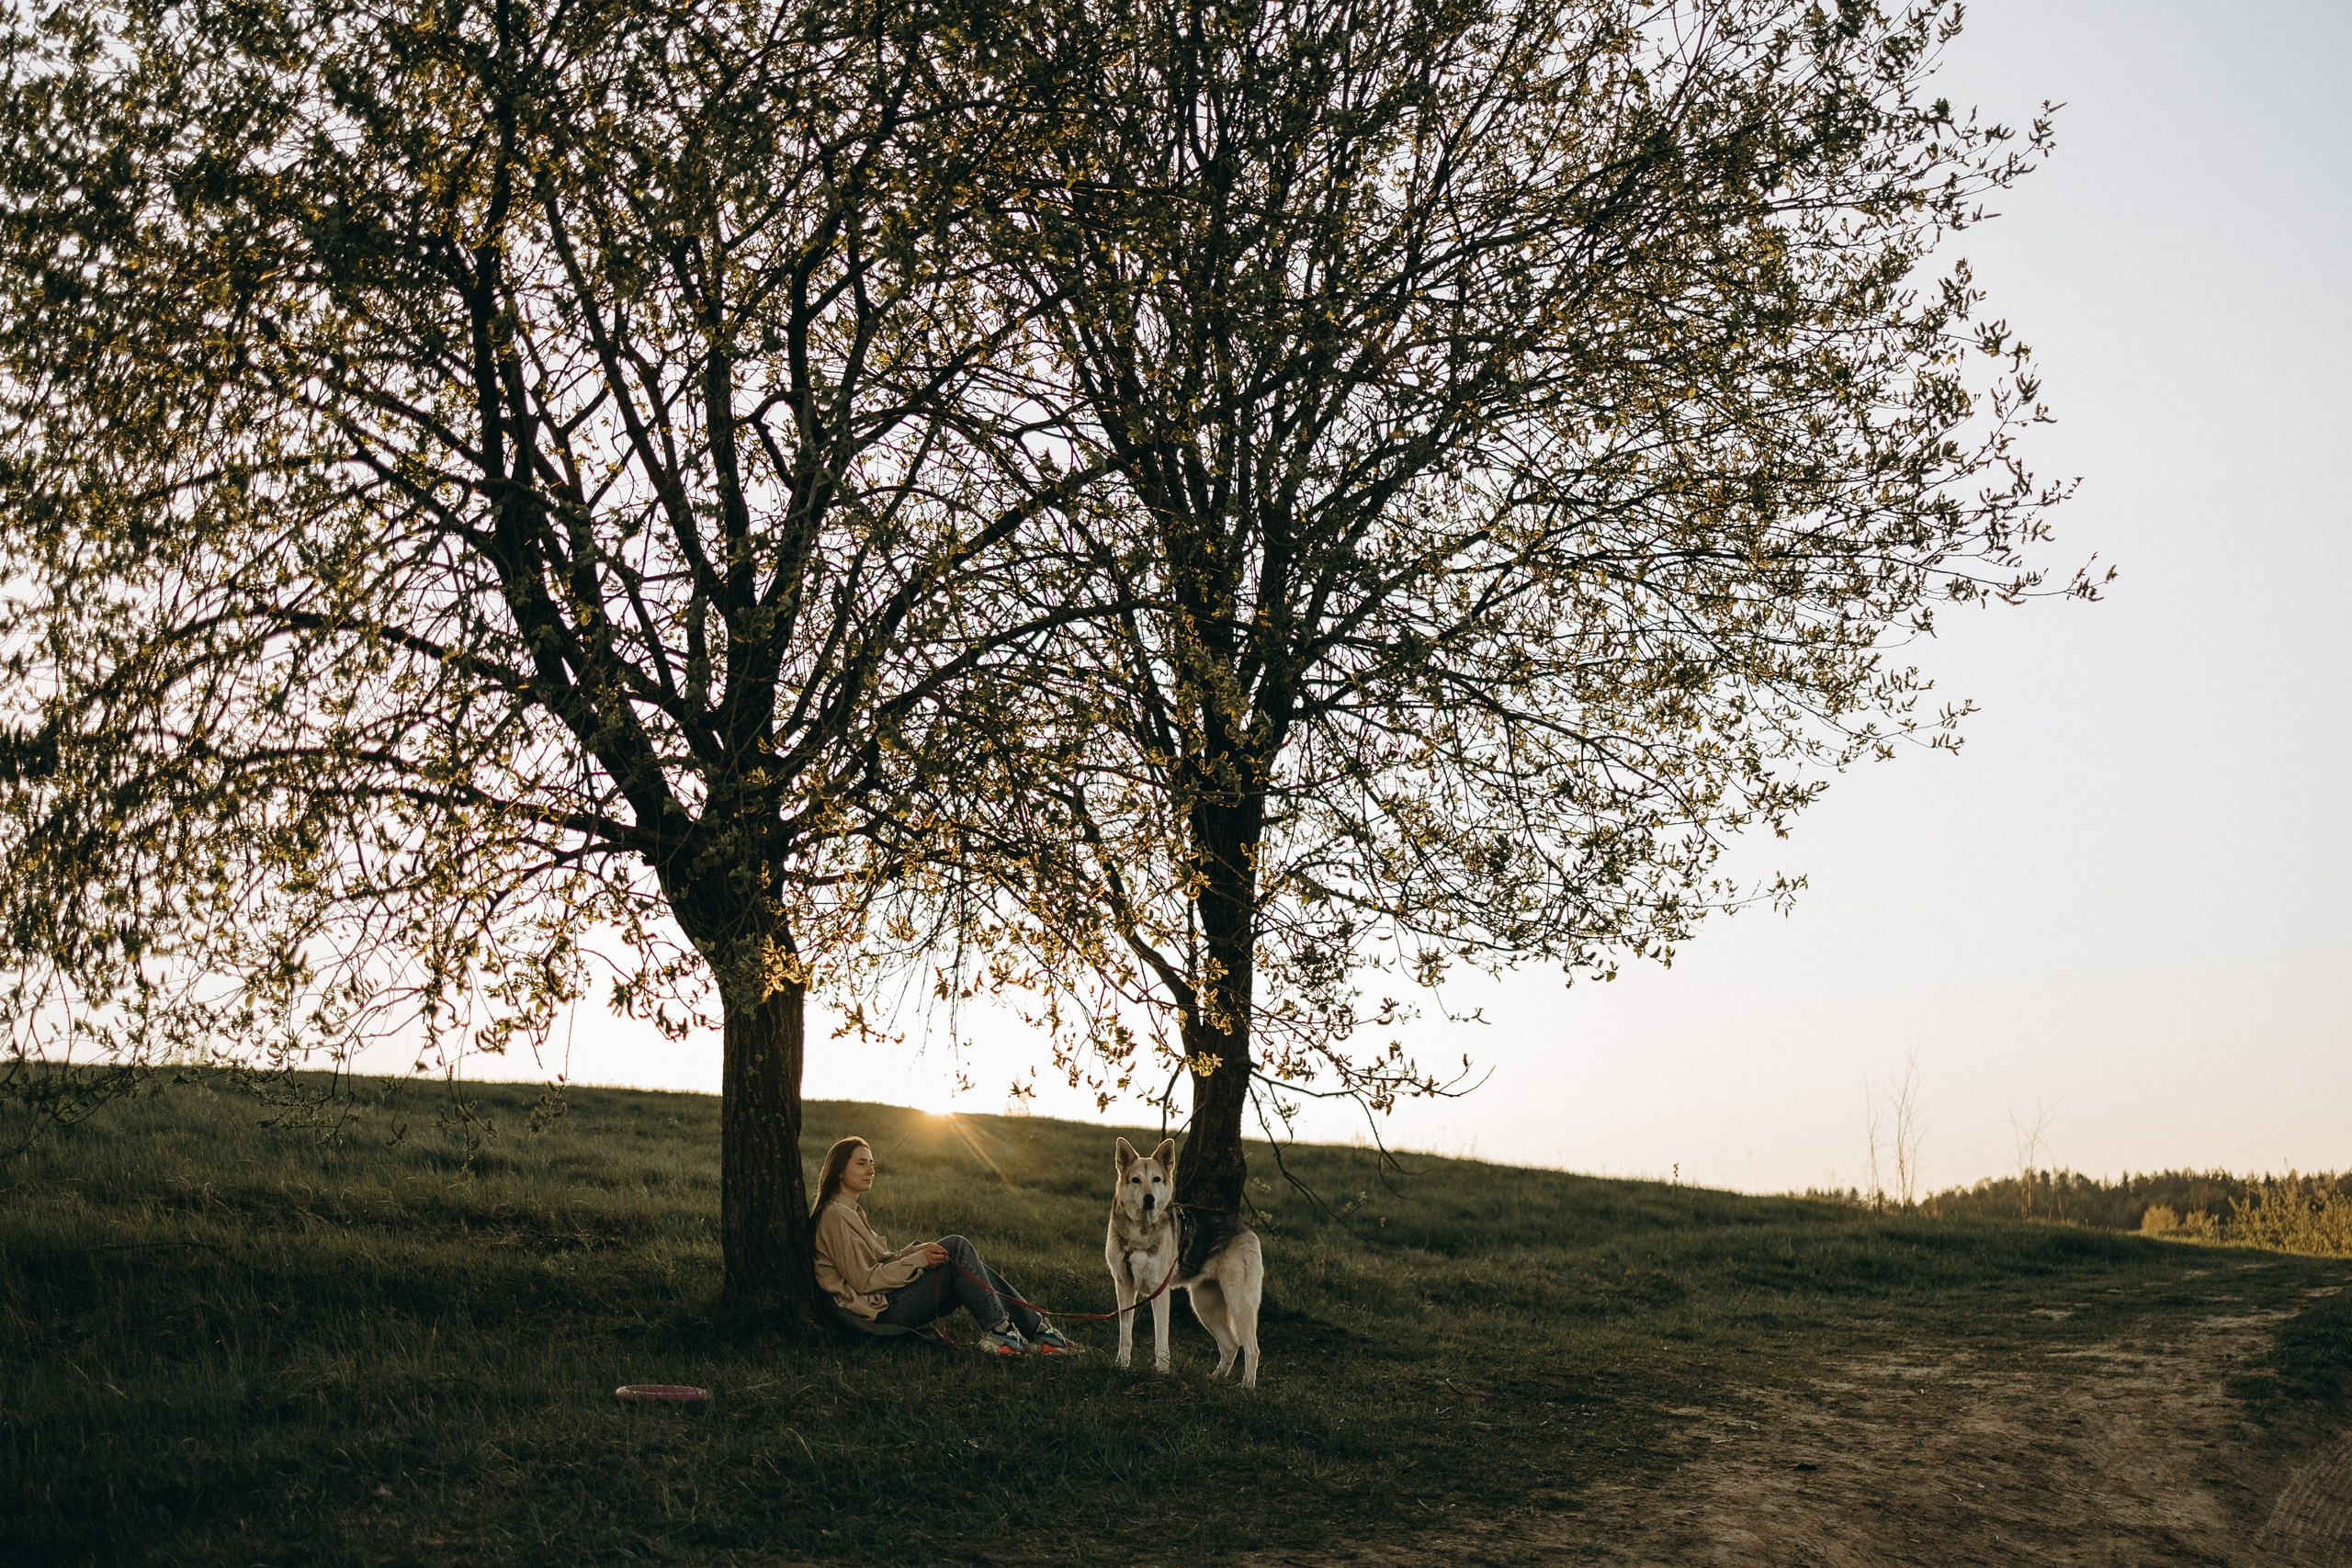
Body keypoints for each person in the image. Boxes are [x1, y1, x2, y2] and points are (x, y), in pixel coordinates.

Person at [809, 1135, 1080, 1355]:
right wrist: (918, 1261)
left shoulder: (851, 1211)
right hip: (874, 1314)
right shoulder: (834, 1215)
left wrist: (912, 1252)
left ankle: (1037, 1333)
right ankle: (1008, 1333)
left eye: (871, 1163)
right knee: (956, 1247)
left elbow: (878, 1262)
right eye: (861, 1163)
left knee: (957, 1256)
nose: (871, 1170)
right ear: (839, 1170)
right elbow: (865, 1281)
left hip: (881, 1303)